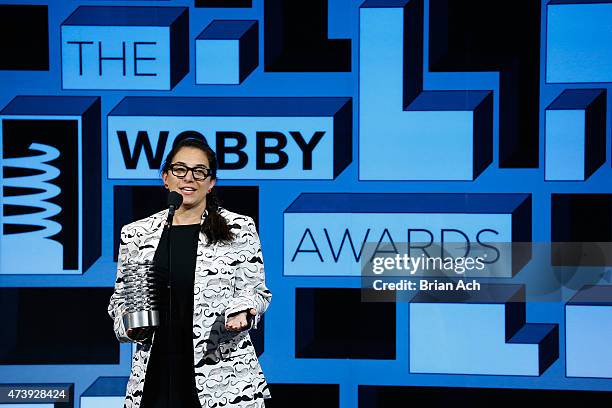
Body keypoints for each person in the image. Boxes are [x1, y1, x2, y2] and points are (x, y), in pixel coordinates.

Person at [108, 137, 272, 408]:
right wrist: (131, 326)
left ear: (211, 183)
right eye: (180, 170)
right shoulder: (136, 234)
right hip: (154, 375)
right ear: (165, 177)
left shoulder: (239, 228)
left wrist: (242, 312)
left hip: (221, 378)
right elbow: (120, 301)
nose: (189, 178)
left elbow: (256, 292)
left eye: (199, 172)